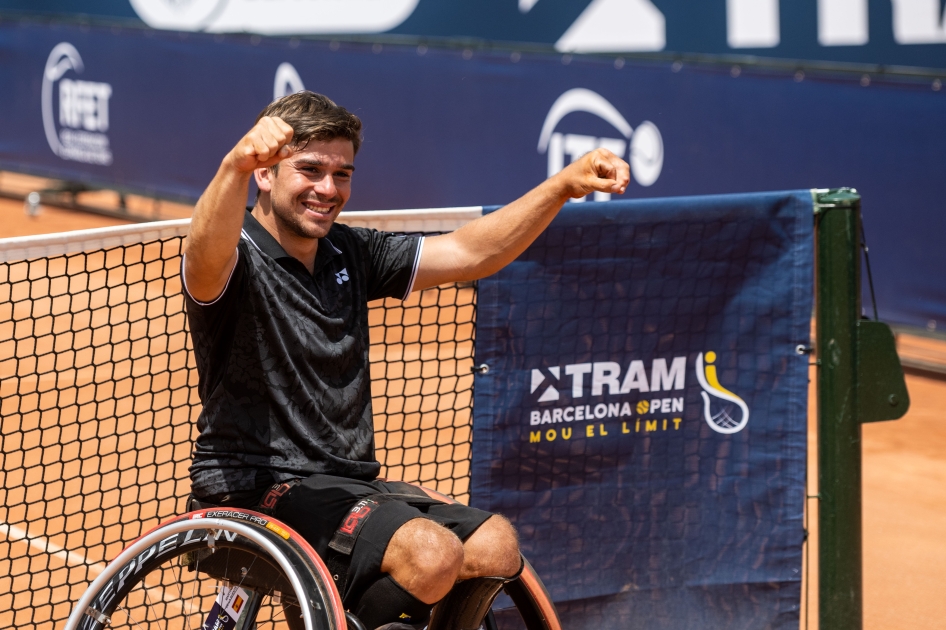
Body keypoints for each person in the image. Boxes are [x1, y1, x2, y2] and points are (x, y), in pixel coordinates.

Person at [182, 91, 629, 629]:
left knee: (495, 547)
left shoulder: (349, 252)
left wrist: (562, 187)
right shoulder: (233, 260)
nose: (328, 189)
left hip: (347, 485)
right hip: (257, 487)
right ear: (266, 175)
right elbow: (203, 254)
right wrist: (233, 164)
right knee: (430, 554)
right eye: (310, 170)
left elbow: (469, 253)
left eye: (341, 174)